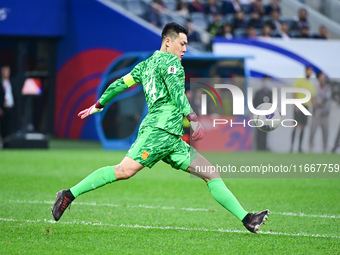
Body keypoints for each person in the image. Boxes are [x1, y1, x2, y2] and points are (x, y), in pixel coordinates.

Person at [52, 22, 269, 233]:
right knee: (123, 171)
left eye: (186, 44)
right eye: (181, 43)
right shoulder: (173, 64)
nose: (184, 49)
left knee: (211, 173)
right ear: (167, 41)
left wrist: (100, 103)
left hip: (172, 139)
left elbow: (120, 83)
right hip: (157, 133)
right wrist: (192, 118)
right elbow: (177, 92)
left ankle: (247, 219)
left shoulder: (144, 65)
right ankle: (69, 194)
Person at [290, 66, 316, 153]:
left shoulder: (311, 84)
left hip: (306, 106)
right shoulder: (300, 79)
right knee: (295, 126)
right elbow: (295, 92)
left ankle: (299, 147)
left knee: (303, 127)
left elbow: (312, 97)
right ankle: (291, 146)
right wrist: (295, 104)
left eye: (310, 71)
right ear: (305, 71)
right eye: (308, 71)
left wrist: (315, 108)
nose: (309, 72)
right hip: (299, 104)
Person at [309, 71, 331, 153]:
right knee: (312, 131)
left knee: (326, 132)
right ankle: (310, 147)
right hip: (317, 113)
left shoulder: (328, 88)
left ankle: (325, 148)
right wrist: (316, 107)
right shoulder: (315, 87)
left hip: (325, 114)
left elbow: (327, 99)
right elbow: (312, 98)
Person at [0, 65, 15, 141]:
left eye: (8, 71)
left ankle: (9, 141)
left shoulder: (12, 81)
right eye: (5, 71)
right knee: (3, 125)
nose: (7, 73)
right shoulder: (1, 82)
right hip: (3, 107)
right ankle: (2, 141)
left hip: (11, 106)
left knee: (10, 125)